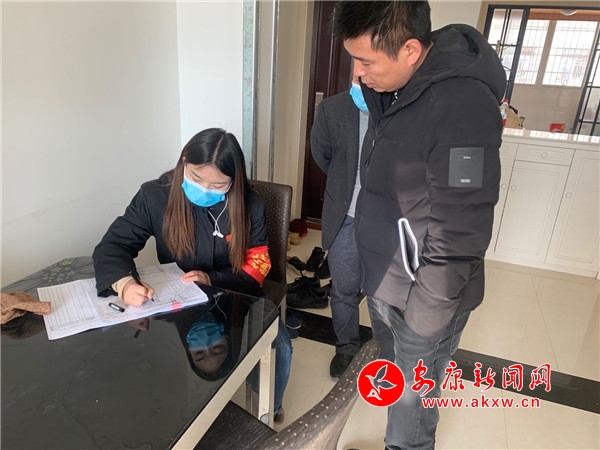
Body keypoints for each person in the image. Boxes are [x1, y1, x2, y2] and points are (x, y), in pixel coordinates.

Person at [333, 2, 506, 449]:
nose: (357, 72)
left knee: (413, 411)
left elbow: (461, 231)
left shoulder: (462, 107)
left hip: (423, 300)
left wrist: (425, 322)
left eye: (366, 61)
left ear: (410, 50)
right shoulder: (398, 88)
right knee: (396, 385)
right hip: (387, 282)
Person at [93, 128, 291, 423]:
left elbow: (258, 265)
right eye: (197, 178)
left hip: (236, 292)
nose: (205, 189)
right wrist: (124, 283)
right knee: (144, 351)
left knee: (281, 347)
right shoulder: (154, 196)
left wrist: (212, 280)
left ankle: (271, 404)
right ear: (184, 161)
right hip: (178, 299)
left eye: (218, 184)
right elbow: (112, 246)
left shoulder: (250, 204)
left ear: (234, 180)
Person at [310, 75, 369, 378]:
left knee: (387, 292)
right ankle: (347, 346)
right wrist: (345, 184)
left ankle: (390, 350)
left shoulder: (402, 106)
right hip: (345, 213)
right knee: (343, 288)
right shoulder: (331, 109)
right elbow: (322, 154)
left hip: (386, 220)